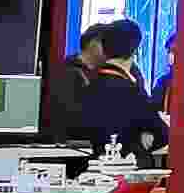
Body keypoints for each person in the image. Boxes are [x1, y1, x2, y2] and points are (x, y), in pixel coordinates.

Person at [71, 19, 170, 158]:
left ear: (103, 49)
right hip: (124, 166)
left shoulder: (87, 86)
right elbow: (163, 134)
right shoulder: (133, 92)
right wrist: (141, 141)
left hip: (90, 165)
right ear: (135, 51)